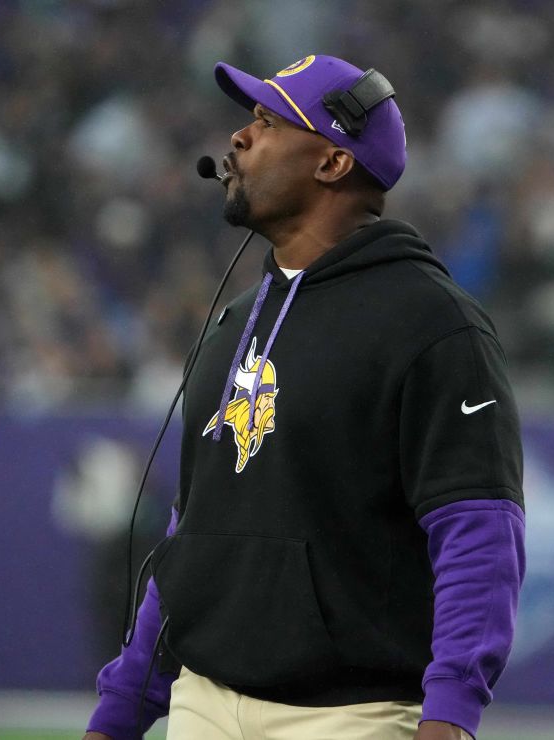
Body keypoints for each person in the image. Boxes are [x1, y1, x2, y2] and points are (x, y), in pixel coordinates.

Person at [84, 54, 526, 740]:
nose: (238, 138)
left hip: (350, 715)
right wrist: (125, 703)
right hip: (200, 700)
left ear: (332, 162)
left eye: (266, 121)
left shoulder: (434, 325)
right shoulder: (233, 321)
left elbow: (478, 532)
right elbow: (192, 536)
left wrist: (451, 714)